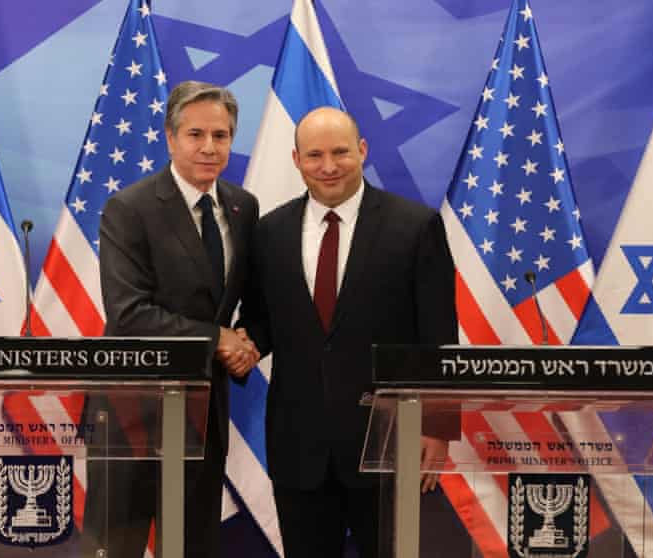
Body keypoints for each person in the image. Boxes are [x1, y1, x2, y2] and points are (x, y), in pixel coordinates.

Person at [238, 106, 459, 558]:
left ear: (362, 151)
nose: (329, 166)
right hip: (299, 449)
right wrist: (235, 347)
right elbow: (264, 320)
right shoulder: (269, 232)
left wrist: (437, 427)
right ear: (296, 160)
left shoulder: (415, 227)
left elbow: (438, 336)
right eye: (315, 155)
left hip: (389, 444)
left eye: (340, 152)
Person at [87, 80, 259, 557]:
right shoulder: (130, 208)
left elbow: (251, 301)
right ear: (170, 137)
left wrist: (249, 343)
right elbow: (128, 313)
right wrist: (217, 339)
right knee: (116, 546)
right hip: (132, 408)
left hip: (205, 409)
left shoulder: (244, 208)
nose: (209, 147)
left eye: (221, 136)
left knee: (194, 544)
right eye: (196, 134)